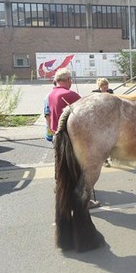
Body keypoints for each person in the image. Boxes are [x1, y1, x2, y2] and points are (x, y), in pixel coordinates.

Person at [48, 68, 100, 208]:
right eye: (71, 80)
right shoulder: (70, 94)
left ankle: (60, 188)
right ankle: (83, 200)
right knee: (78, 168)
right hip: (71, 137)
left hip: (57, 135)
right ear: (68, 80)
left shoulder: (51, 94)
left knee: (60, 165)